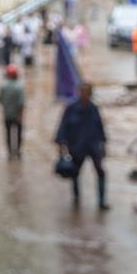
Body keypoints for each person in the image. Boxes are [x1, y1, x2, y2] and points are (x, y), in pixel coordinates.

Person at [54, 82, 109, 210]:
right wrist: (62, 146)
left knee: (100, 172)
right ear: (79, 92)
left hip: (93, 146)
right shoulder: (71, 108)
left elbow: (100, 127)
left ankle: (101, 201)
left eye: (87, 93)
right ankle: (76, 198)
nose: (85, 95)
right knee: (75, 173)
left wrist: (103, 145)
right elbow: (63, 127)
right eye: (82, 92)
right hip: (77, 146)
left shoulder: (94, 108)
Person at [0, 65, 25, 159]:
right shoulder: (19, 87)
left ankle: (9, 152)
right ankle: (17, 151)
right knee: (19, 134)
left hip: (7, 115)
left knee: (8, 134)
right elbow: (21, 103)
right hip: (17, 116)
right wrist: (20, 116)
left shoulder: (3, 86)